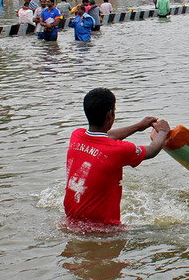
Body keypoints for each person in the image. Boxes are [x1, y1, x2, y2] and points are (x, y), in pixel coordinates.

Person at [64, 88, 171, 225]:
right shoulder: (118, 150)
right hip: (105, 231)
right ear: (110, 114)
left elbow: (106, 137)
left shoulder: (76, 136)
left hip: (71, 222)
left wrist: (138, 126)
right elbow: (152, 150)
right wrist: (163, 131)